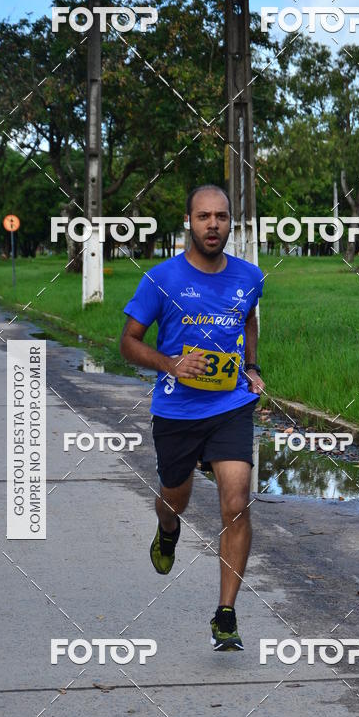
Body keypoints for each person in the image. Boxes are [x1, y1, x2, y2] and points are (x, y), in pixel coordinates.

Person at [120, 184, 265, 651]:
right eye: (204, 216)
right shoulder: (161, 279)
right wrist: (170, 363)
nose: (213, 225)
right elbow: (128, 342)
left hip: (230, 407)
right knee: (174, 499)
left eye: (221, 217)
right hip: (177, 411)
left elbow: (247, 319)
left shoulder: (249, 275)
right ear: (189, 221)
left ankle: (226, 614)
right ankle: (167, 531)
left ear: (230, 223)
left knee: (236, 501)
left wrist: (252, 367)